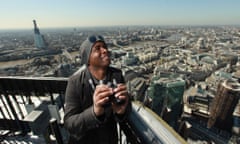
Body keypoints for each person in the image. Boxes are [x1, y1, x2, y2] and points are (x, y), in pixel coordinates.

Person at [64, 35, 131, 144]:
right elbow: (69, 124)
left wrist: (121, 112)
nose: (105, 50)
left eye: (104, 47)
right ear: (87, 58)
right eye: (97, 48)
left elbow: (126, 108)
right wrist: (94, 112)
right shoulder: (75, 82)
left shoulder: (117, 75)